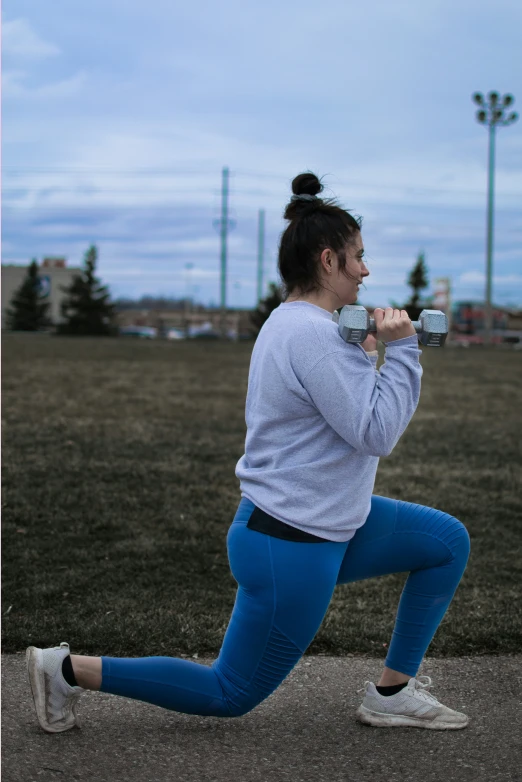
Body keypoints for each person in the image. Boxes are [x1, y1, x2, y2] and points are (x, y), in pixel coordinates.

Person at [27, 172, 470, 734]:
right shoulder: (309, 334)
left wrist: (365, 355)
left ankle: (393, 692)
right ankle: (63, 670)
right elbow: (377, 432)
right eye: (359, 257)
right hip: (291, 544)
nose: (366, 270)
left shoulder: (303, 327)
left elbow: (350, 417)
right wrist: (403, 353)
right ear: (328, 260)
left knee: (445, 542)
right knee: (229, 692)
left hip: (331, 524)